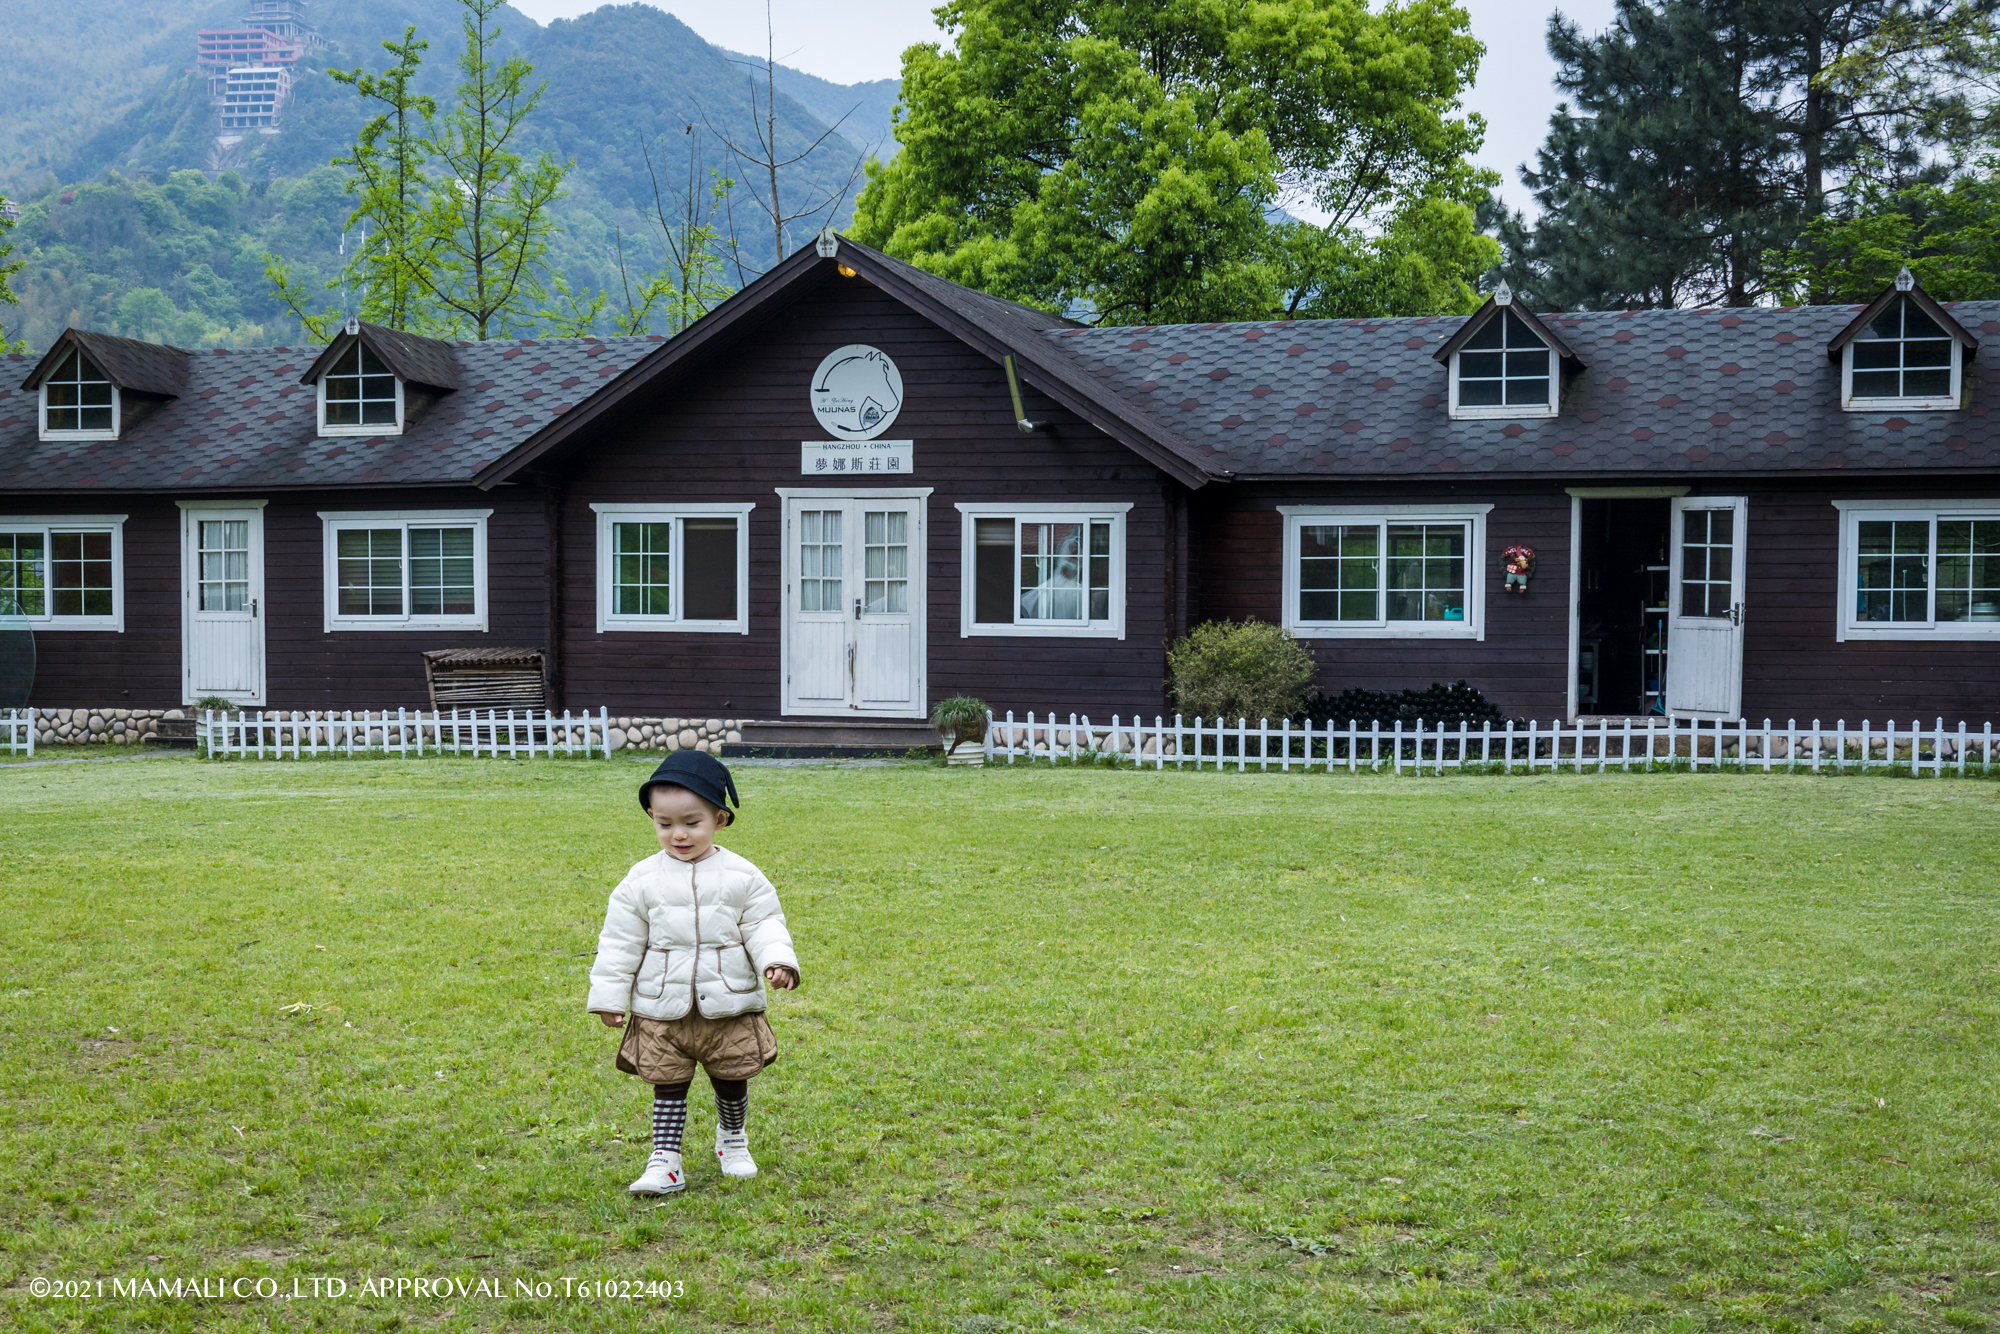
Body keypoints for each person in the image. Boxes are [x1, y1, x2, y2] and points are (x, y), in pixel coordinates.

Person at [587, 750, 800, 1196]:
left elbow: (763, 924)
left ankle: (733, 1139)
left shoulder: (743, 875)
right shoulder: (641, 880)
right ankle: (665, 1159)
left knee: (731, 1074)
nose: (678, 834)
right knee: (667, 1081)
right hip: (663, 1006)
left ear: (720, 819)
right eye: (664, 824)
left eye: (691, 822)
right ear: (652, 817)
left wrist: (776, 961)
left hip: (730, 1002)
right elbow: (620, 941)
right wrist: (609, 996)